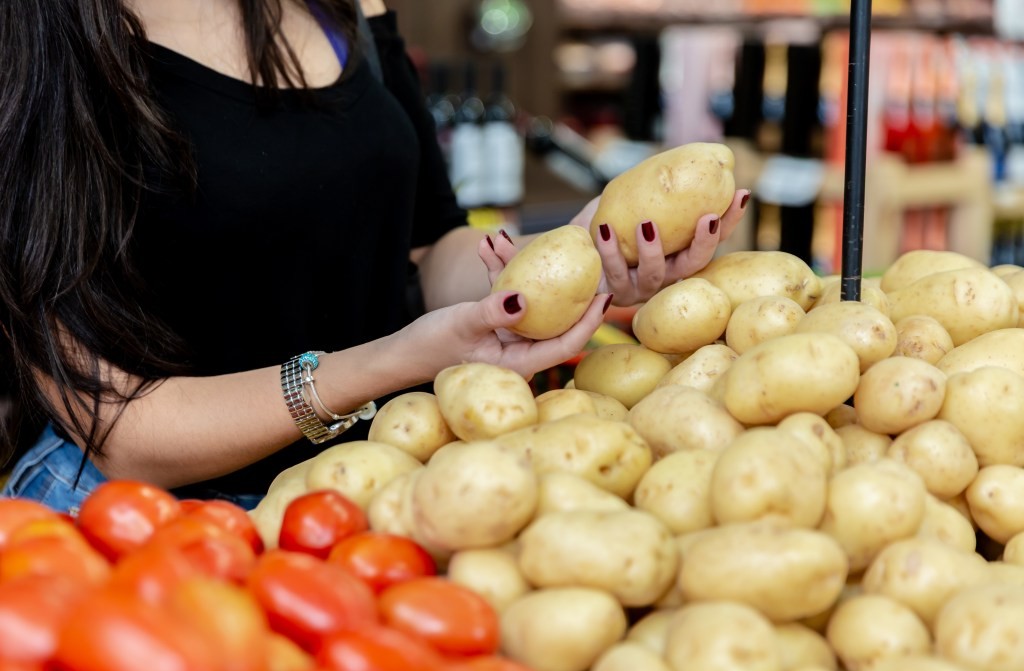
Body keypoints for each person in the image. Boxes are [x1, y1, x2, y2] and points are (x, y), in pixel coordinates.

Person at [0, 0, 749, 513]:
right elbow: (122, 430)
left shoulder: (346, 6)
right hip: (147, 528)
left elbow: (430, 245)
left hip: (378, 491)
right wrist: (394, 360)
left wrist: (573, 257)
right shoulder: (35, 38)